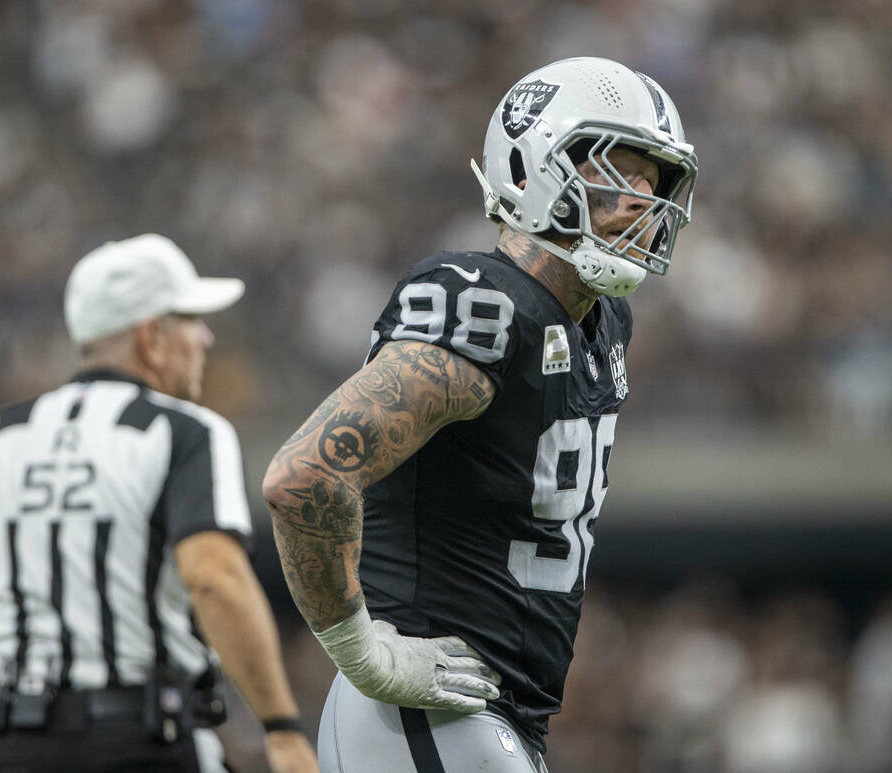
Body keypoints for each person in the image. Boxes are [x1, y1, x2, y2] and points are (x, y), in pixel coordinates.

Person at [262, 56, 698, 772]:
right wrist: (361, 653)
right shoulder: (482, 303)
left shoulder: (603, 323)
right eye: (616, 170)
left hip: (488, 715)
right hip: (425, 704)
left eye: (654, 179)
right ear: (532, 171)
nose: (642, 200)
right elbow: (304, 476)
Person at [0, 234, 318, 773]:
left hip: (16, 747)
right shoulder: (186, 432)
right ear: (152, 337)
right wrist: (281, 729)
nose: (206, 337)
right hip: (144, 741)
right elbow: (214, 577)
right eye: (190, 318)